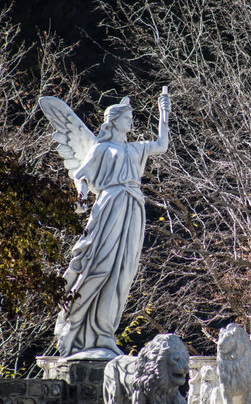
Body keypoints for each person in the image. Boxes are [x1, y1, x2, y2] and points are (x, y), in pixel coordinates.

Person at [54, 94, 170, 359]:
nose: (131, 121)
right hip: (110, 206)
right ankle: (76, 327)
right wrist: (82, 195)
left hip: (133, 207)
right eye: (127, 117)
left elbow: (162, 145)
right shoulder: (102, 149)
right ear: (115, 121)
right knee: (100, 265)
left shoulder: (135, 148)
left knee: (123, 271)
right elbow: (80, 175)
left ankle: (105, 335)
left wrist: (164, 113)